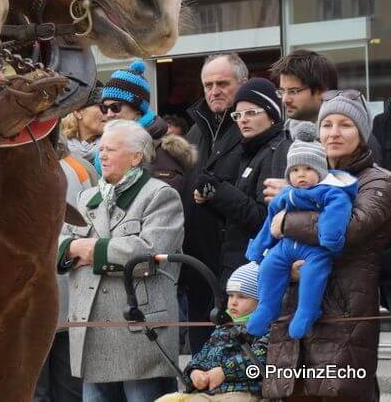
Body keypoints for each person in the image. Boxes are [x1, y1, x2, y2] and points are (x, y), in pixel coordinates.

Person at [262, 90, 391, 401]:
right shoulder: (302, 177)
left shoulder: (377, 180)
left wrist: (286, 220)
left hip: (343, 315)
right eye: (327, 124)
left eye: (345, 125)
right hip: (293, 309)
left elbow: (348, 229)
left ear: (362, 133)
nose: (334, 133)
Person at [58, 120, 183, 402]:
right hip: (91, 331)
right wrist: (74, 247)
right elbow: (56, 246)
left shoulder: (161, 195)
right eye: (101, 148)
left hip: (139, 331)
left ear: (136, 157)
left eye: (111, 150)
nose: (102, 155)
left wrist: (89, 250)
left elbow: (148, 254)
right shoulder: (86, 197)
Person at [246, 137, 357, 339]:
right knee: (269, 266)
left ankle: (308, 310)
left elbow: (337, 210)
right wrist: (259, 248)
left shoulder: (330, 191)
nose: (301, 174)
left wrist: (330, 236)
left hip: (315, 248)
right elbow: (271, 221)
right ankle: (267, 307)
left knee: (314, 272)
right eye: (295, 170)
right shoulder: (286, 193)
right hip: (286, 246)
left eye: (308, 168)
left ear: (320, 170)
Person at [192, 78, 290, 284]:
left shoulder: (276, 151)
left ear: (272, 115)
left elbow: (263, 219)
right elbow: (237, 218)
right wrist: (210, 198)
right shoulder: (252, 150)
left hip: (255, 268)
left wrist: (219, 191)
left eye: (251, 113)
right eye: (238, 115)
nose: (243, 120)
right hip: (239, 263)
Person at [182, 53, 248, 353]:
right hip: (198, 264)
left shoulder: (252, 129)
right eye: (208, 85)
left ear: (242, 84)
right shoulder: (196, 130)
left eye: (223, 83)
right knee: (200, 358)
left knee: (235, 358)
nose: (214, 91)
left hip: (236, 265)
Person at [158, 262, 269, 402]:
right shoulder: (223, 326)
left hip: (244, 391)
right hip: (211, 391)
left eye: (242, 297)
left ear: (261, 300)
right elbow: (203, 355)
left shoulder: (264, 327)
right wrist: (194, 372)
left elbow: (262, 358)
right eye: (231, 295)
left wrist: (224, 372)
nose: (233, 302)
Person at [34, 134, 90, 402]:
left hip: (40, 302)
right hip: (68, 300)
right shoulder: (79, 167)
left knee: (37, 391)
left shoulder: (76, 168)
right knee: (67, 391)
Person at [269, 49, 382, 166]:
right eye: (282, 91)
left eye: (294, 91)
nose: (285, 99)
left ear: (322, 91)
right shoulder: (282, 140)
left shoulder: (355, 140)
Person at [99, 61, 196, 192]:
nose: (109, 114)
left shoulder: (162, 153)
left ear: (138, 111)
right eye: (104, 108)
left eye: (115, 107)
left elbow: (161, 201)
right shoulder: (103, 148)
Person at [63, 83, 105, 162]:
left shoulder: (115, 148)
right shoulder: (56, 148)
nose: (109, 113)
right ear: (78, 111)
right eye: (103, 107)